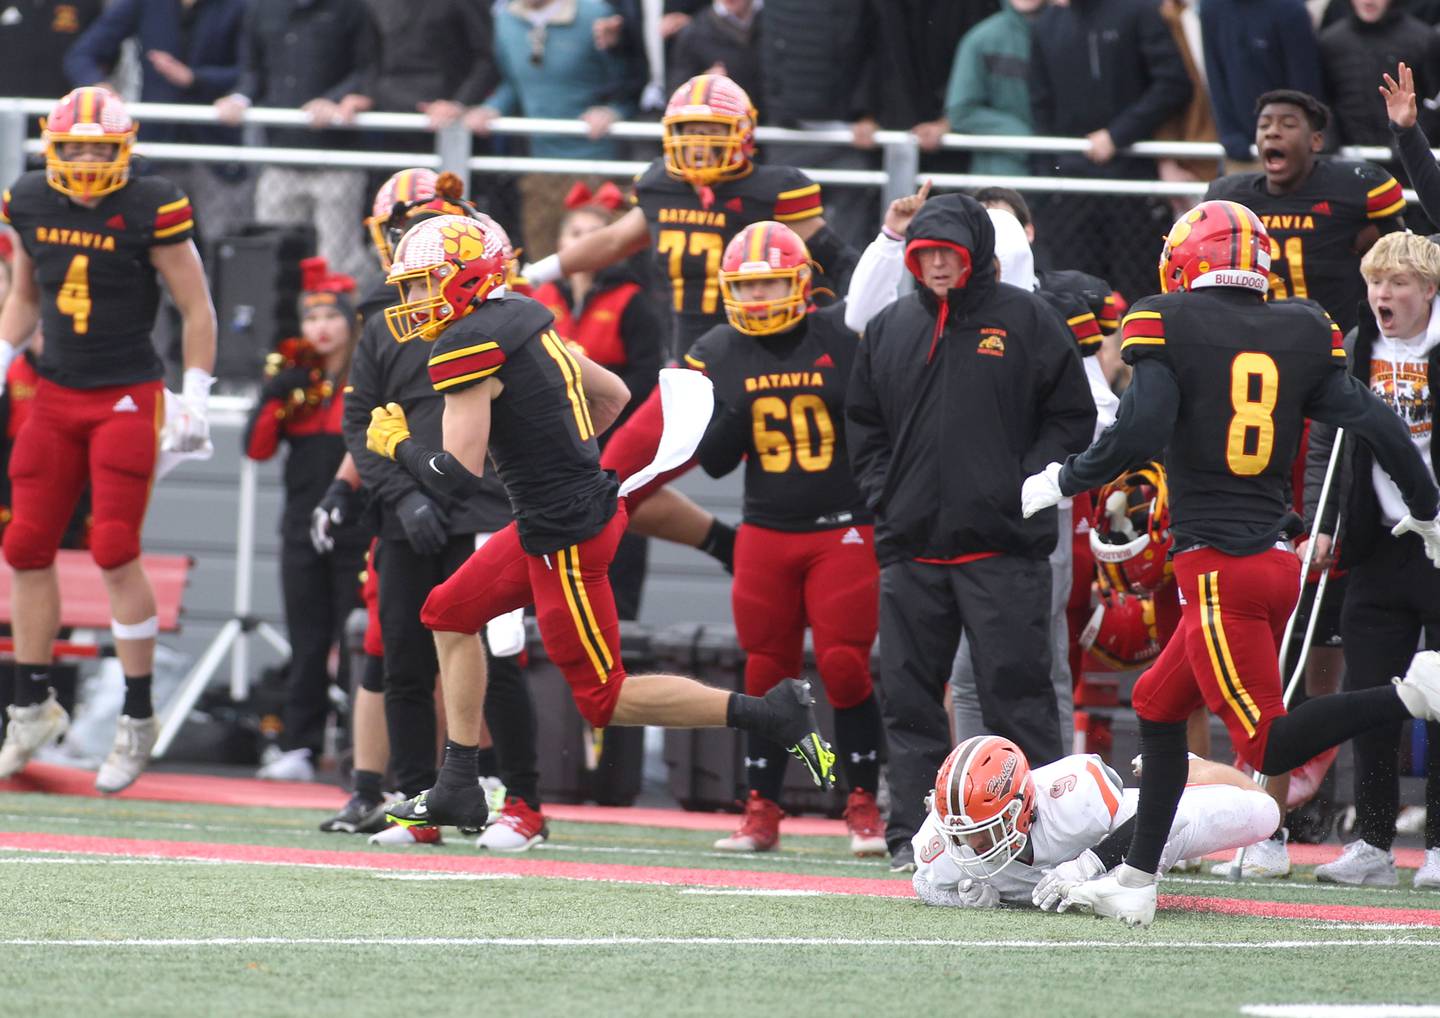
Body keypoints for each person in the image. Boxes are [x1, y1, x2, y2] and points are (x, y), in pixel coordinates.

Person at [1019, 198, 1440, 928]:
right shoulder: (1305, 327)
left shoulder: (1166, 319)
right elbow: (1375, 420)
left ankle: (1412, 695)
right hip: (1270, 559)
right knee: (1155, 702)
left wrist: (1062, 479)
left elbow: (1141, 427)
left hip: (1219, 566)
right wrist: (1429, 507)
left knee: (1265, 740)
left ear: (1188, 259)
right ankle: (1136, 877)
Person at [365, 213, 837, 835]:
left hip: (564, 534)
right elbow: (612, 395)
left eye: (427, 283)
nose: (416, 300)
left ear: (466, 279)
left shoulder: (467, 344)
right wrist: (556, 454)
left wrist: (396, 444)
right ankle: (458, 781)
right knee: (447, 613)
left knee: (605, 698)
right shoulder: (526, 317)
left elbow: (457, 475)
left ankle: (773, 713)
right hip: (566, 512)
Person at [845, 192, 1097, 872]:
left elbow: (1071, 419)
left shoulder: (1029, 320)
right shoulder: (890, 328)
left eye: (947, 253)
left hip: (1003, 550)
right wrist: (884, 496)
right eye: (924, 253)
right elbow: (863, 426)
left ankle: (1045, 838)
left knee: (1019, 692)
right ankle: (914, 837)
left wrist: (1021, 490)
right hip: (912, 550)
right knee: (907, 699)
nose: (935, 265)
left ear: (975, 255)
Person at [522, 74, 855, 566]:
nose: (698, 145)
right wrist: (535, 272)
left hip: (772, 367)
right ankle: (728, 546)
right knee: (607, 486)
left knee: (811, 493)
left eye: (711, 130)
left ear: (743, 133)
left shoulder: (776, 190)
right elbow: (614, 242)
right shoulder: (662, 185)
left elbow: (838, 260)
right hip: (693, 371)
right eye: (688, 130)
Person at [0, 87, 216, 793]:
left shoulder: (152, 203)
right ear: (53, 151)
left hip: (127, 393)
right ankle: (32, 703)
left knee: (114, 547)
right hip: (55, 392)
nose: (89, 160)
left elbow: (196, 306)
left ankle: (138, 713)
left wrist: (197, 395)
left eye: (102, 147)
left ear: (125, 151)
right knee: (26, 545)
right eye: (77, 148)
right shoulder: (29, 199)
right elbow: (26, 294)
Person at [338, 174, 545, 850]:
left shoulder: (509, 323)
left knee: (500, 653)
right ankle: (416, 795)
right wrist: (402, 496)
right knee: (403, 655)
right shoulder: (385, 328)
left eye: (430, 279)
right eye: (411, 280)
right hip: (409, 511)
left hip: (489, 507)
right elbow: (359, 424)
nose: (416, 295)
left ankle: (523, 800)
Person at [685, 221, 886, 857]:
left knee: (844, 665)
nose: (762, 296)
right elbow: (714, 461)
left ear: (801, 283)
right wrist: (726, 408)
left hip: (841, 528)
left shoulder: (839, 333)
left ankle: (862, 802)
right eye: (749, 286)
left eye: (772, 281)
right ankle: (761, 808)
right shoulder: (719, 349)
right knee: (764, 672)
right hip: (766, 531)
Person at [1302, 231, 1440, 889]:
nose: (1384, 295)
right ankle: (1375, 842)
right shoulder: (1360, 346)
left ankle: (1439, 844)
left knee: (1438, 700)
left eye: (1399, 284)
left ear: (1429, 290)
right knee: (1370, 695)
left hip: (1439, 548)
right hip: (1378, 543)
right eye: (1375, 282)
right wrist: (1322, 525)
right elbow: (1328, 441)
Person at [244, 259, 367, 782]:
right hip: (301, 528)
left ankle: (363, 746)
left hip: (360, 526)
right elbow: (256, 449)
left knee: (360, 639)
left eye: (330, 315)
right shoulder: (294, 382)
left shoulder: (367, 376)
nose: (320, 326)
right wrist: (273, 397)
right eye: (311, 315)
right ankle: (299, 745)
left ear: (349, 322)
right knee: (308, 639)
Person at [912, 735, 1280, 909]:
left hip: (1143, 839)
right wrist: (960, 901)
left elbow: (1171, 817)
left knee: (1265, 814)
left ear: (1020, 809)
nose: (973, 846)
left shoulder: (1071, 798)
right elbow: (923, 883)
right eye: (964, 834)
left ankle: (1182, 768)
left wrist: (1090, 863)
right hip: (1103, 880)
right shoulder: (950, 839)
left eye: (984, 830)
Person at [530, 182, 666, 619]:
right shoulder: (538, 299)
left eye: (594, 234)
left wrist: (596, 392)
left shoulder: (633, 302)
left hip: (611, 440)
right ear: (559, 244)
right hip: (549, 444)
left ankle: (622, 623)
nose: (583, 242)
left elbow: (647, 376)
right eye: (574, 234)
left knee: (617, 530)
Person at [1029, 0, 1193, 301]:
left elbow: (1174, 83)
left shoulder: (1139, 11)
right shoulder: (1046, 25)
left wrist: (1118, 135)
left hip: (1133, 182)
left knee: (1140, 296)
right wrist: (1047, 184)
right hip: (1070, 189)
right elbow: (1040, 107)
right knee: (1075, 297)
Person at [1205, 89, 1406, 335]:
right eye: (1264, 125)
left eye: (1288, 124)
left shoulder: (1353, 188)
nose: (1272, 131)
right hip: (1256, 337)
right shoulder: (1231, 197)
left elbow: (1397, 253)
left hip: (1335, 337)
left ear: (1316, 141)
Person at [63, 0, 250, 243]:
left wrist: (197, 79)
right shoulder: (145, 4)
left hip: (217, 154)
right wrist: (100, 89)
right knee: (151, 242)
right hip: (156, 151)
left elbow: (254, 69)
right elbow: (81, 55)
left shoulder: (240, 6)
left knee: (226, 249)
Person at [213, 0, 375, 279]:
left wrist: (333, 102)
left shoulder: (352, 9)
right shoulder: (261, 9)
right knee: (274, 260)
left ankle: (341, 322)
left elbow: (369, 70)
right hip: (280, 157)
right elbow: (252, 72)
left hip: (337, 158)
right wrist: (239, 98)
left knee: (337, 266)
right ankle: (284, 323)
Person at [1199, 0, 1324, 170]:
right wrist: (1230, 135)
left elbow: (1305, 89)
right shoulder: (1211, 8)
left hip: (1289, 153)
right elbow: (1215, 78)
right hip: (1239, 153)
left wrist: (1290, 138)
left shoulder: (1291, 10)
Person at [943, 0, 1046, 179]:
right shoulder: (982, 39)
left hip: (1058, 175)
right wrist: (1025, 137)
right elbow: (961, 111)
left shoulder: (1068, 33)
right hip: (1000, 174)